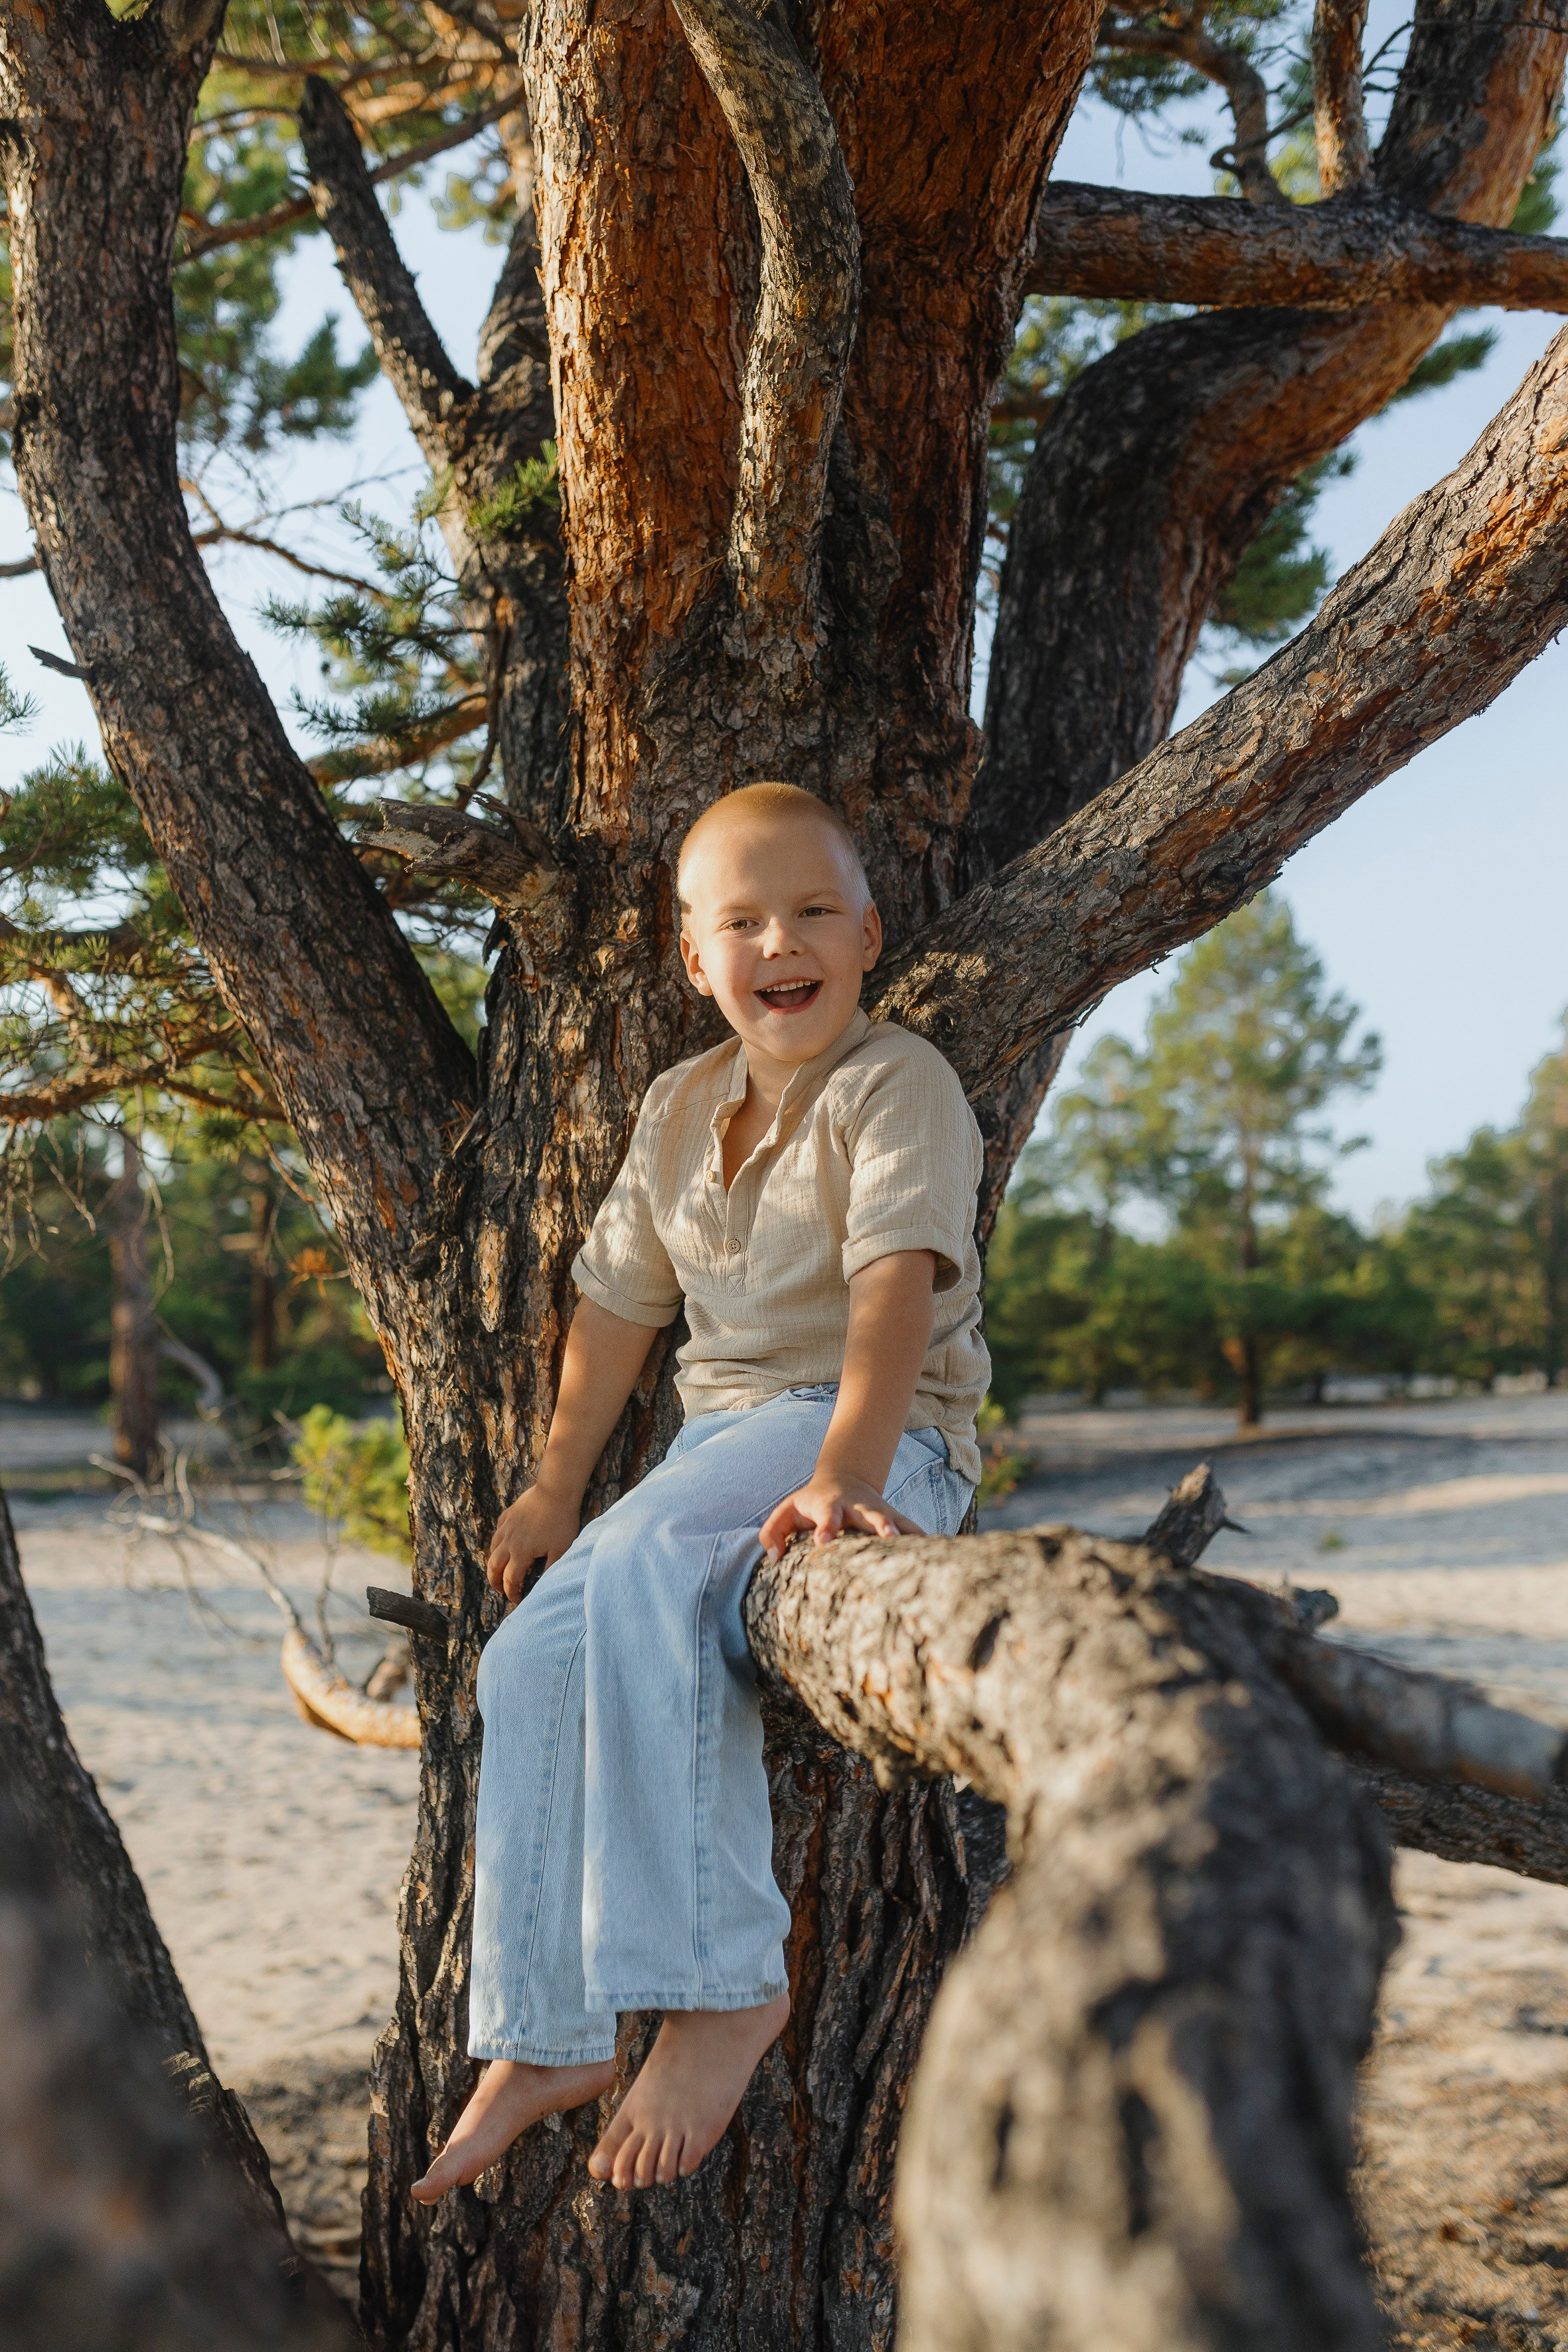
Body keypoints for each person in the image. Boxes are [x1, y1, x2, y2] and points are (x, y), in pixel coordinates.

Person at [412, 781, 989, 2201]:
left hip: (878, 1431)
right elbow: (615, 1309)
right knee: (528, 1650)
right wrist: (552, 1488)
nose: (775, 940)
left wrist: (848, 1468)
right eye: (739, 919)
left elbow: (893, 1287)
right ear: (693, 957)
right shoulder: (676, 1108)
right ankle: (549, 2027)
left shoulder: (892, 1079)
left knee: (657, 1559)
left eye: (807, 910)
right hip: (715, 1441)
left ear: (864, 932)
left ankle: (725, 1982)